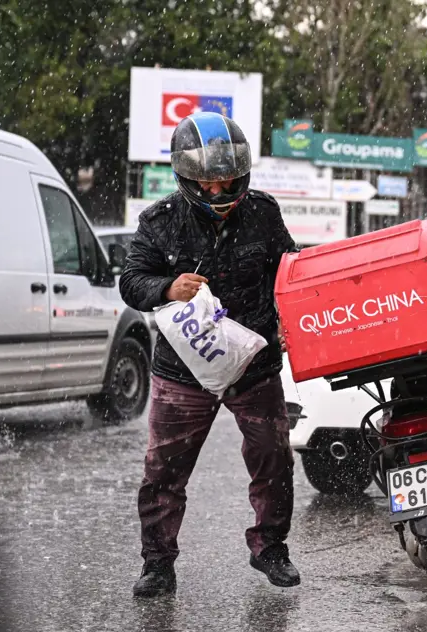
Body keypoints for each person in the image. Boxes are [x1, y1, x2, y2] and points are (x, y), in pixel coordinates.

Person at [119, 112, 300, 598]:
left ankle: (270, 548)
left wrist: (289, 317)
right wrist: (167, 287)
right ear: (186, 179)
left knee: (274, 459)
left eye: (227, 180)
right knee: (164, 471)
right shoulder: (159, 222)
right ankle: (157, 564)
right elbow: (131, 282)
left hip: (254, 367)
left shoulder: (263, 212)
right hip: (183, 372)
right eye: (208, 182)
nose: (219, 191)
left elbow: (289, 272)